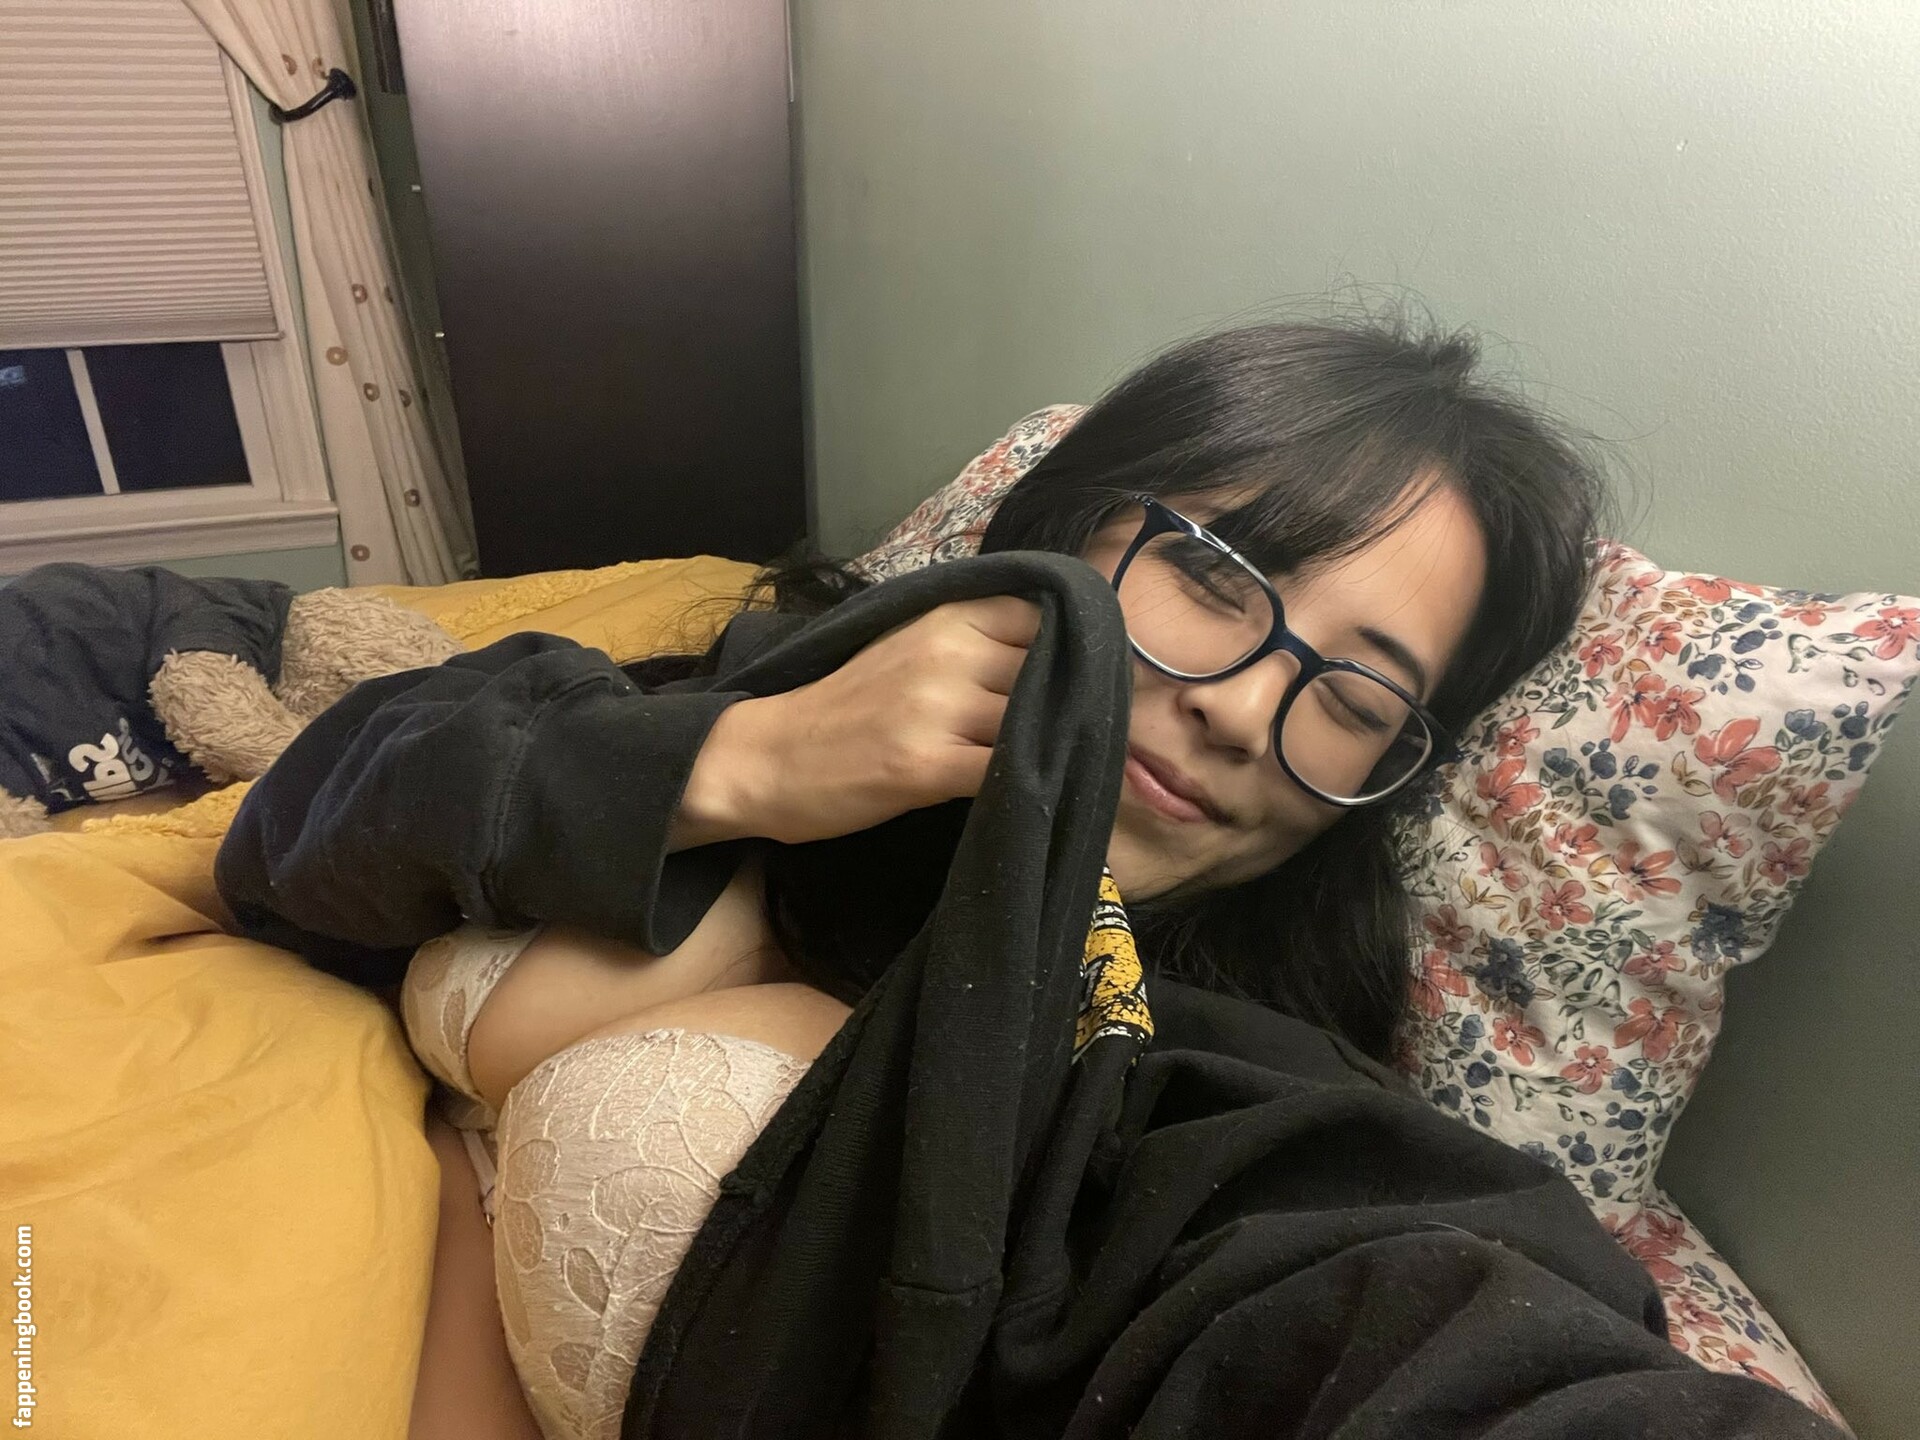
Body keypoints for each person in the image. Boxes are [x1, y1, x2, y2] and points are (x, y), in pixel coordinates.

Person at [217, 320, 1829, 1440]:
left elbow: (1400, 1298)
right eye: (1217, 577)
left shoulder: (1188, 1047)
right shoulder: (778, 685)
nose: (1245, 712)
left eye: (1355, 697)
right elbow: (298, 827)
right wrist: (746, 759)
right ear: (1061, 533)